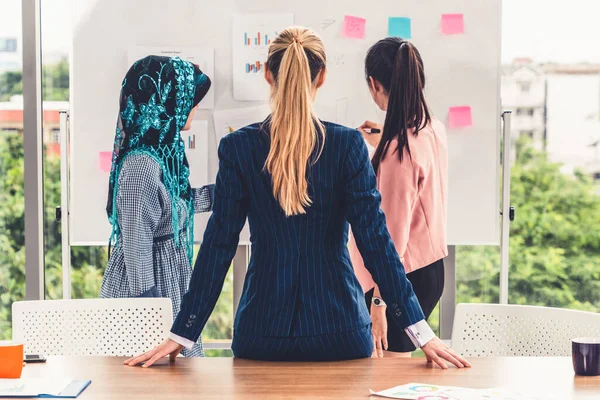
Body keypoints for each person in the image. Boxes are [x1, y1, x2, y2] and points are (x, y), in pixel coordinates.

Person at [125, 27, 468, 367]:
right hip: (340, 332)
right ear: (321, 78)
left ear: (267, 75)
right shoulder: (348, 145)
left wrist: (182, 333)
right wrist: (421, 332)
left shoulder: (239, 147)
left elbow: (218, 245)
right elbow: (377, 243)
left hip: (262, 334)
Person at [100, 55, 214, 357]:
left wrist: (229, 191)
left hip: (165, 284)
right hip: (149, 292)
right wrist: (152, 319)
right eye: (189, 99)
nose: (195, 106)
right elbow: (137, 250)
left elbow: (175, 207)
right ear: (164, 101)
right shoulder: (141, 168)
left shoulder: (161, 154)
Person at [349, 38, 449, 358]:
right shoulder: (432, 128)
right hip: (428, 269)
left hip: (399, 281)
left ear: (374, 84)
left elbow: (391, 237)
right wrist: (383, 137)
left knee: (387, 378)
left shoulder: (398, 152)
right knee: (394, 376)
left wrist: (380, 303)